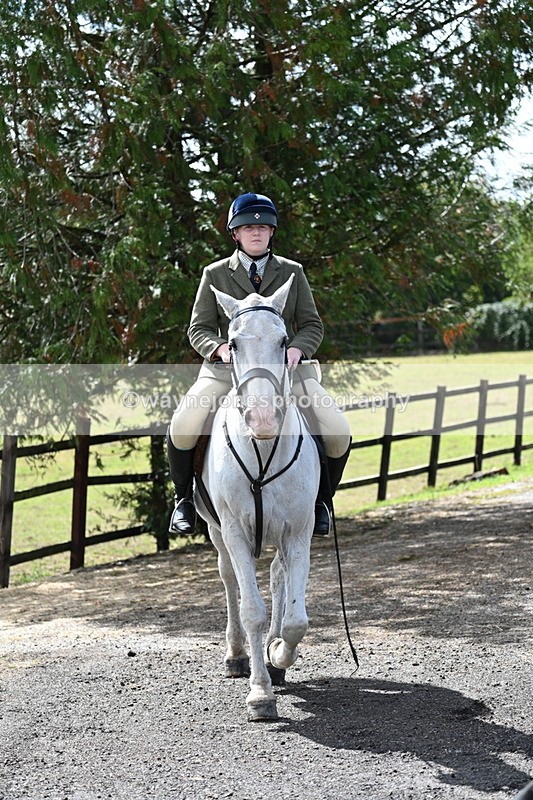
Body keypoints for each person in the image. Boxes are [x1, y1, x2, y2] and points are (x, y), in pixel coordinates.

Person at [167, 192, 351, 536]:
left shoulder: (292, 272)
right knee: (184, 422)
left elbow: (312, 324)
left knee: (337, 429)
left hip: (287, 372)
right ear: (235, 233)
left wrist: (297, 349)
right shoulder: (215, 274)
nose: (256, 232)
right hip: (227, 372)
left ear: (272, 232)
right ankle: (184, 500)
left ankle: (321, 501)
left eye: (263, 227)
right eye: (248, 227)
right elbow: (198, 328)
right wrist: (219, 349)